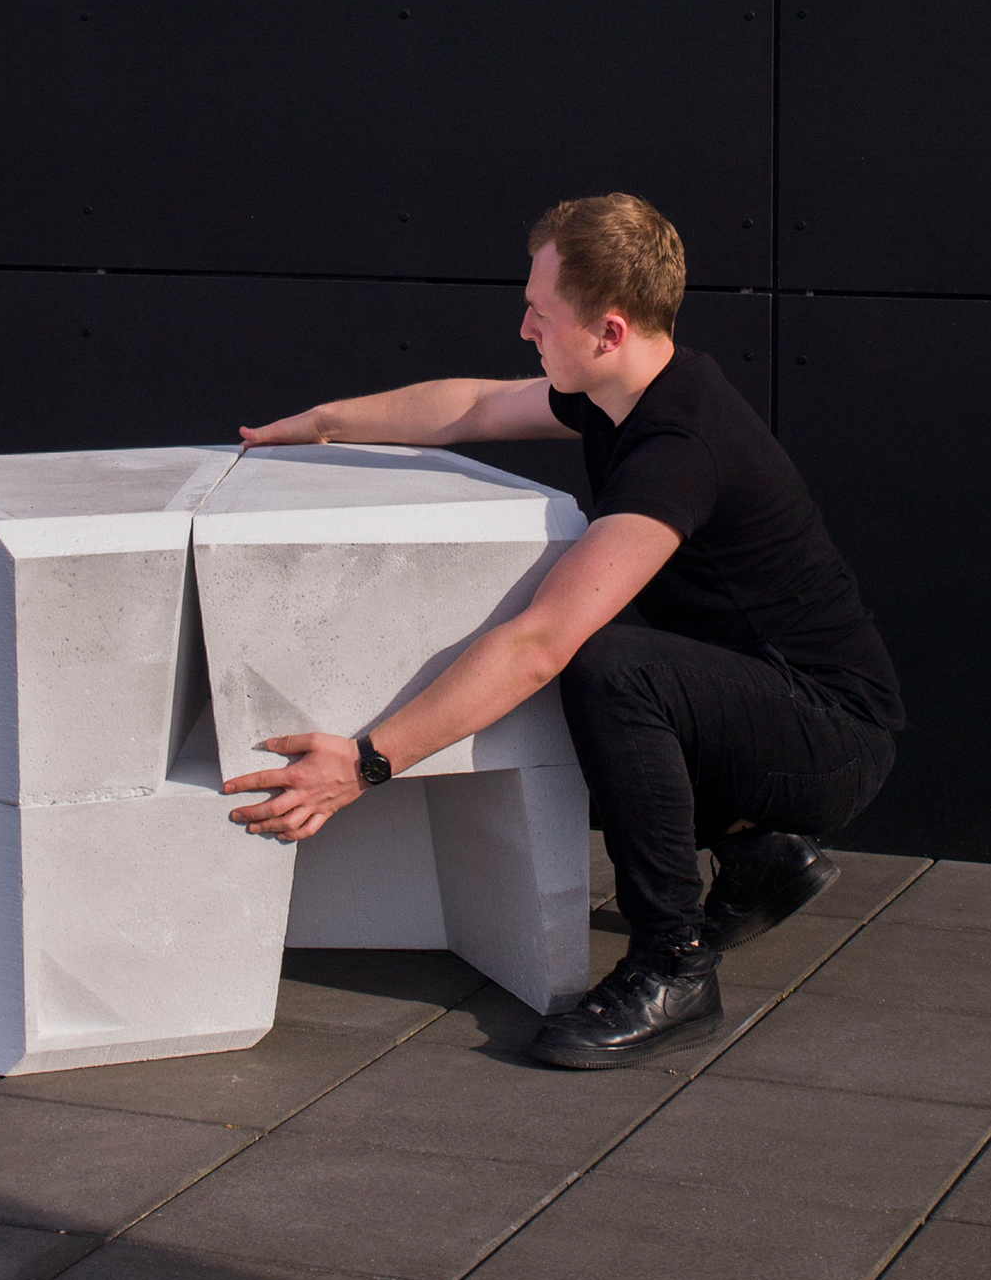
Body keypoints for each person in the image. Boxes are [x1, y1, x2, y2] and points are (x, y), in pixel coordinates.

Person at [222, 193, 903, 1070]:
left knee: (606, 662)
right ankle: (759, 854)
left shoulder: (679, 442)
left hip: (832, 735)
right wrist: (320, 425)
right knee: (610, 647)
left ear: (608, 331)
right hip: (772, 701)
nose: (524, 328)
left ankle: (675, 964)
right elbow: (470, 407)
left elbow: (538, 644)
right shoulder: (624, 395)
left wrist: (364, 764)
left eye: (540, 313)